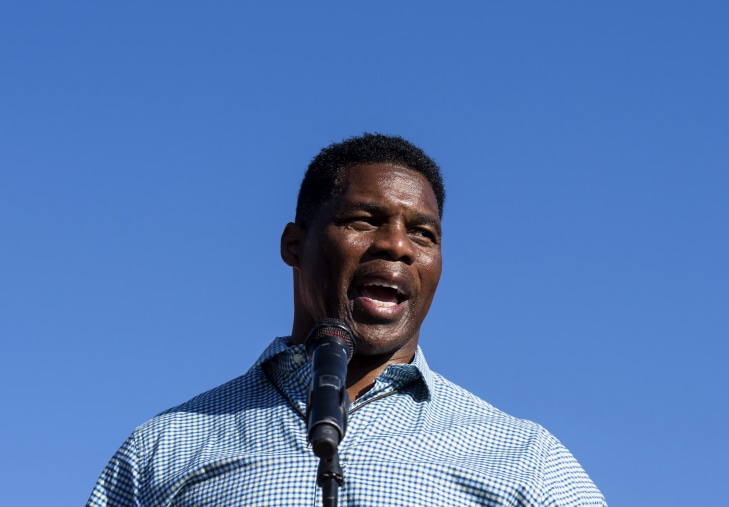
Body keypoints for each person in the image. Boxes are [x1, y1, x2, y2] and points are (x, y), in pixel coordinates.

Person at [87, 133, 606, 506]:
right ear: (295, 244)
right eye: (364, 220)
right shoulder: (165, 447)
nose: (397, 245)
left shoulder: (527, 461)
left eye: (424, 234)